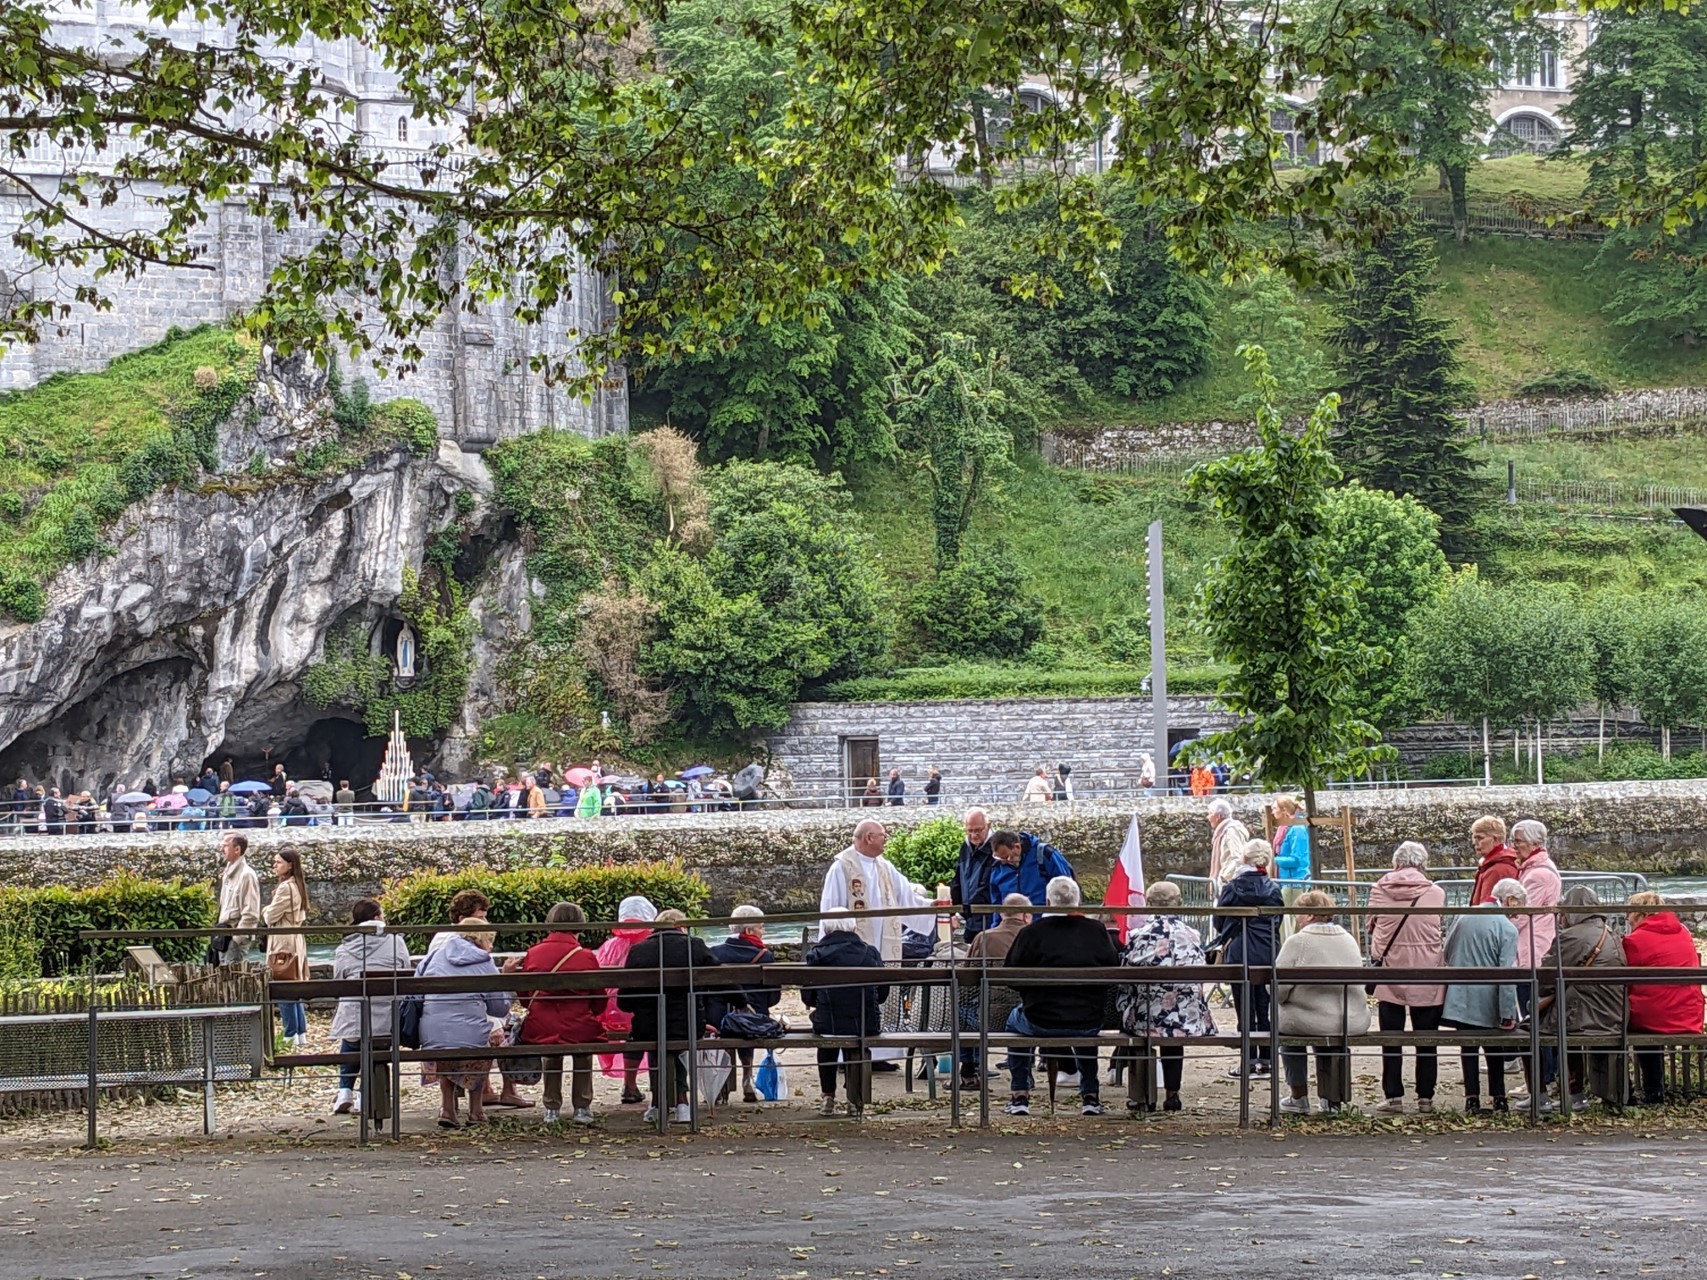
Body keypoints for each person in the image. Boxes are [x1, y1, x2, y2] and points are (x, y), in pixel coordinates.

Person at [1001, 876, 1120, 1117]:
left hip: (1040, 1019)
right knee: (1085, 1023)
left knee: (1013, 1022)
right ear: (1078, 902)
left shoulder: (1031, 932)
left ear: (1047, 902)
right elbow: (1112, 972)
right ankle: (1090, 1096)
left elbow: (1010, 977)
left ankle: (1020, 1094)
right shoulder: (1096, 930)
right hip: (1087, 1019)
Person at [1116, 880, 1216, 1115]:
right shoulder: (1192, 935)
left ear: (1149, 904)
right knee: (1173, 1028)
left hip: (1146, 1019)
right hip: (1188, 1018)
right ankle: (1172, 1094)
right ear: (1179, 903)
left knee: (1144, 1019)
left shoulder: (1139, 935)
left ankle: (1143, 1096)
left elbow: (1124, 975)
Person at [619, 909, 721, 1125]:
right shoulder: (695, 946)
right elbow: (720, 979)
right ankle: (682, 1103)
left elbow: (624, 1001)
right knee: (676, 1036)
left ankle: (658, 1103)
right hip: (690, 1023)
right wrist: (742, 1004)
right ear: (682, 927)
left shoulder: (639, 950)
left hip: (648, 1026)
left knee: (658, 1034)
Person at [1366, 841, 1446, 1116]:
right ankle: (1426, 1097)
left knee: (1391, 1037)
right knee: (1427, 1039)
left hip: (1390, 969)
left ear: (1396, 863)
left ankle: (1393, 1097)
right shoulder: (1436, 892)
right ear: (1423, 865)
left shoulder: (1378, 889)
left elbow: (1370, 925)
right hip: (1427, 972)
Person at [1274, 889, 1370, 1115]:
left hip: (1310, 1019)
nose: (1296, 919)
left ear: (1309, 915)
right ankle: (1331, 1100)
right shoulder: (1349, 939)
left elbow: (1278, 989)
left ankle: (1298, 1096)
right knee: (1327, 1031)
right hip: (1350, 1019)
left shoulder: (1298, 941)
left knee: (1290, 1034)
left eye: (1298, 913)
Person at [509, 901, 604, 1125]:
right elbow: (598, 999)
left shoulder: (534, 953)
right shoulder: (586, 956)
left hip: (542, 1026)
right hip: (578, 1026)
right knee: (583, 1051)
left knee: (551, 1052)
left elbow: (526, 998)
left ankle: (551, 1107)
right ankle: (582, 1107)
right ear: (580, 924)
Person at [416, 924, 512, 1128]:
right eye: (490, 940)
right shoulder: (484, 961)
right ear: (481, 938)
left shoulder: (433, 956)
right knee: (477, 1040)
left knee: (446, 1041)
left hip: (432, 1033)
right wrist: (505, 979)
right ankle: (476, 1111)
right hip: (470, 1037)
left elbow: (415, 992)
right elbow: (499, 1008)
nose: (491, 946)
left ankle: (447, 1108)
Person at [1540, 886, 1628, 1108]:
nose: (1560, 917)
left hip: (1585, 1016)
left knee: (1528, 1031)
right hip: (1615, 1015)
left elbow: (1545, 979)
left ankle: (1541, 1096)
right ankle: (1575, 1093)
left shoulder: (1571, 936)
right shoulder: (1611, 933)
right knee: (1563, 1020)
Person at [328, 898, 413, 1121]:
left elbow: (339, 982)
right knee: (375, 1044)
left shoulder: (345, 946)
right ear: (377, 918)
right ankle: (363, 1095)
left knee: (352, 1041)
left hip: (354, 1014)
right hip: (387, 1016)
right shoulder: (396, 941)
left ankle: (344, 1091)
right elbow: (405, 972)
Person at [1443, 880, 1520, 1115]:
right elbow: (1506, 975)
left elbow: (1447, 951)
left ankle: (1472, 1099)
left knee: (1468, 1049)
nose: (1518, 915)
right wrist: (1508, 1013)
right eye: (1519, 907)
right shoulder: (1507, 929)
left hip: (1461, 996)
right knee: (1494, 1049)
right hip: (1489, 1000)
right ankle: (1499, 1098)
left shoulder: (1464, 916)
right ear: (1510, 901)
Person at [1622, 890, 1704, 1105]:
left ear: (1640, 914)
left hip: (1656, 1016)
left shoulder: (1635, 940)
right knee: (1653, 1009)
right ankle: (1655, 1090)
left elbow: (1626, 979)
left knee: (1642, 1021)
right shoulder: (1682, 932)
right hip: (1689, 1013)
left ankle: (1652, 1090)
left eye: (1629, 913)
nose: (1627, 919)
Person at [803, 911, 888, 1118]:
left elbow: (808, 997)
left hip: (829, 1024)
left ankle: (828, 1096)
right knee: (856, 1042)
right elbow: (882, 994)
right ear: (854, 928)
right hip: (865, 1024)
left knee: (826, 1042)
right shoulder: (870, 952)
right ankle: (854, 1098)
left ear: (826, 930)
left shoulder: (816, 955)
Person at [1210, 839, 1283, 1079]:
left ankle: (1248, 1060)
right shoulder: (1273, 889)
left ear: (1244, 858)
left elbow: (1219, 922)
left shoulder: (1232, 888)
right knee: (1265, 1004)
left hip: (1240, 949)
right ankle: (1268, 1059)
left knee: (1244, 1007)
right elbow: (1277, 921)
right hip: (1266, 950)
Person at [819, 819, 938, 965]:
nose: (886, 839)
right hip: (851, 950)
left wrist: (932, 907)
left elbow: (906, 896)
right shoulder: (841, 867)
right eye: (883, 835)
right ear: (869, 838)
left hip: (884, 943)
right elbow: (831, 908)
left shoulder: (885, 867)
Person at [1508, 818, 1562, 1102]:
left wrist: (1501, 921)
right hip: (1537, 949)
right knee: (1539, 1018)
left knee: (1532, 1019)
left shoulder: (1536, 875)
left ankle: (1542, 1080)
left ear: (1535, 843)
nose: (1513, 846)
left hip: (1532, 953)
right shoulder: (1538, 869)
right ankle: (1546, 1079)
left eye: (1517, 841)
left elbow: (1520, 915)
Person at [957, 893, 1032, 1088]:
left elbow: (967, 980)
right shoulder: (1036, 938)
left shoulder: (984, 938)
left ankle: (969, 1069)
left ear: (1001, 914)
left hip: (988, 1018)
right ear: (1027, 915)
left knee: (963, 1006)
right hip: (1030, 1014)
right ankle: (1026, 1073)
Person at [706, 906, 780, 1103]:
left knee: (727, 1022)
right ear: (748, 930)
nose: (763, 931)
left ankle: (719, 1084)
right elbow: (773, 997)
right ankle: (747, 1076)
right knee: (747, 1020)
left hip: (718, 1019)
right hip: (753, 1021)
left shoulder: (714, 953)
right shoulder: (764, 956)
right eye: (761, 927)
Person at [597, 895, 657, 1103]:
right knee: (651, 1021)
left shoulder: (609, 946)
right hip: (647, 1012)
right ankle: (655, 1083)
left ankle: (629, 1085)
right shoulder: (653, 945)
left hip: (611, 1014)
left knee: (637, 1025)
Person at [263, 847, 310, 1048]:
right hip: (295, 939)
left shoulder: (285, 888)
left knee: (283, 985)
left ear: (290, 865)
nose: (275, 865)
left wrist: (265, 910)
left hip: (283, 940)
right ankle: (300, 1032)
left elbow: (270, 916)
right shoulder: (298, 885)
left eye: (279, 862)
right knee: (294, 986)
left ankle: (290, 1033)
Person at [987, 829, 1076, 912]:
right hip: (1013, 921)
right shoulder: (997, 868)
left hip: (1044, 918)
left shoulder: (1045, 855)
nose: (1003, 862)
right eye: (999, 858)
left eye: (1007, 857)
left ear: (1017, 847)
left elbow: (1067, 888)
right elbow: (997, 904)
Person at [211, 833, 261, 965]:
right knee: (223, 973)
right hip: (224, 935)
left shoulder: (247, 875)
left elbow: (251, 913)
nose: (221, 849)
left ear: (237, 849)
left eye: (225, 846)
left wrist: (237, 938)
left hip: (234, 935)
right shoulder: (228, 873)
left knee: (231, 973)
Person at [948, 809, 996, 944]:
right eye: (969, 831)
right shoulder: (965, 847)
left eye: (978, 830)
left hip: (989, 919)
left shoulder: (995, 848)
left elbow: (987, 887)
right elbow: (958, 880)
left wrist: (962, 912)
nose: (973, 835)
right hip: (970, 919)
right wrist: (953, 910)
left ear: (988, 826)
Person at [1270, 795, 1311, 941]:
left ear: (1284, 810)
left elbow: (1298, 859)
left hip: (1295, 881)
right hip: (1285, 881)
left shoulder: (1297, 829)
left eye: (1275, 808)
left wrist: (1274, 859)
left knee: (1290, 923)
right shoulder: (1285, 828)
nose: (1272, 812)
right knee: (1284, 922)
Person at [1467, 816, 1518, 908]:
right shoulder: (1499, 861)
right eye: (1474, 838)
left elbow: (1486, 908)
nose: (1475, 842)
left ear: (1495, 840)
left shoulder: (1497, 869)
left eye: (1480, 838)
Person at [1205, 799, 1251, 887]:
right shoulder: (1223, 831)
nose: (1208, 817)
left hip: (1230, 884)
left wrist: (1223, 878)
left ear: (1218, 816)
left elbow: (1238, 857)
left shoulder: (1231, 831)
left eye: (1210, 813)